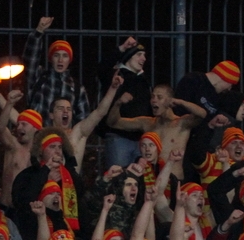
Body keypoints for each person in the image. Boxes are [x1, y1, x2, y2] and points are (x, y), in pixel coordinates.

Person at [106, 84, 209, 180]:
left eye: (159, 97)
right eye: (152, 97)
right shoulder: (147, 123)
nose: (154, 100)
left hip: (173, 180)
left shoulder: (181, 123)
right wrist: (118, 103)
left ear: (170, 101)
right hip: (151, 181)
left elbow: (202, 114)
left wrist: (180, 102)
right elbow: (113, 122)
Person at [97, 37, 152, 168]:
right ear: (128, 57)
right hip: (118, 137)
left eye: (144, 55)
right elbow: (101, 68)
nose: (143, 59)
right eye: (139, 55)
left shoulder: (144, 80)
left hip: (140, 139)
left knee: (139, 179)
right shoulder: (115, 75)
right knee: (118, 177)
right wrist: (122, 48)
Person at [23, 17, 90, 123]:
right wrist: (38, 32)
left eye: (65, 56)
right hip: (38, 132)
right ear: (50, 58)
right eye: (56, 55)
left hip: (63, 134)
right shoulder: (39, 77)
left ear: (70, 60)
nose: (60, 60)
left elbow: (83, 121)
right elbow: (30, 59)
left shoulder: (77, 88)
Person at [0, 91, 41, 207]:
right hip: (6, 208)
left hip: (27, 211)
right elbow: (0, 129)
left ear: (35, 128)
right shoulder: (13, 146)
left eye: (24, 124)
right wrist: (9, 103)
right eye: (18, 124)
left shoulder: (41, 153)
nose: (19, 127)